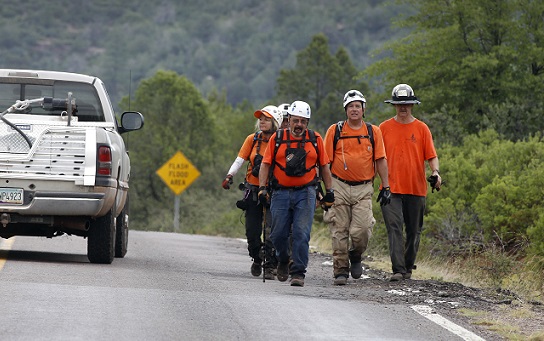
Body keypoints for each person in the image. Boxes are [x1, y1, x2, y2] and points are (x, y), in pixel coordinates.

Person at [258, 100, 333, 287]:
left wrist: (329, 192)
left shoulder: (315, 139)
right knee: (277, 234)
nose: (299, 125)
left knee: (301, 232)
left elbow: (324, 166)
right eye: (296, 121)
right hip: (280, 193)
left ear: (307, 123)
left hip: (306, 193)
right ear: (288, 119)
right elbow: (266, 164)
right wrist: (262, 188)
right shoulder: (277, 138)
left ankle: (298, 272)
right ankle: (283, 259)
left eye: (303, 121)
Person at [323, 90, 390, 286]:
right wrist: (327, 189)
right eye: (351, 106)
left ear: (363, 109)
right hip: (339, 185)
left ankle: (356, 254)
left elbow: (380, 160)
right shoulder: (334, 131)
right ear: (345, 109)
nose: (354, 109)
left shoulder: (373, 131)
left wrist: (386, 186)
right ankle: (340, 270)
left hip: (364, 187)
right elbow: (325, 163)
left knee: (361, 230)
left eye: (357, 106)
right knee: (339, 230)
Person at [379, 84, 442, 282]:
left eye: (406, 103)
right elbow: (376, 158)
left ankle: (407, 266)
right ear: (394, 105)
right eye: (399, 104)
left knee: (414, 231)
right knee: (395, 227)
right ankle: (398, 269)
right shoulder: (383, 128)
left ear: (412, 105)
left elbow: (431, 156)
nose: (403, 107)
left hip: (416, 188)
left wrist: (436, 173)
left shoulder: (422, 128)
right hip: (391, 189)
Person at [222, 105, 283, 280]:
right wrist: (229, 175)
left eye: (267, 118)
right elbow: (240, 159)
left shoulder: (280, 141)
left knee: (273, 230)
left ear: (275, 122)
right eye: (261, 118)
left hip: (274, 190)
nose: (262, 121)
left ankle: (270, 265)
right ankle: (257, 257)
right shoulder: (252, 139)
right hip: (252, 189)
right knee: (252, 231)